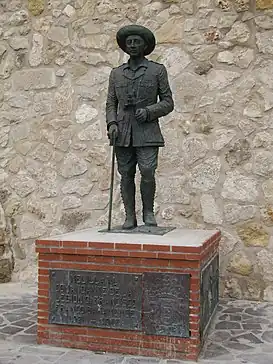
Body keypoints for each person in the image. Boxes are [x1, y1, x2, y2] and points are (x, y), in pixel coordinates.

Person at [106, 24, 174, 230]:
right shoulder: (116, 74)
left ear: (145, 46)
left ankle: (148, 212)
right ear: (125, 47)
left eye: (137, 42)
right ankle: (129, 216)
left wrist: (149, 111)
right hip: (123, 131)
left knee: (147, 170)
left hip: (147, 130)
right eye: (129, 42)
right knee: (125, 173)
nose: (133, 45)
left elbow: (168, 102)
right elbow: (111, 103)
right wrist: (111, 123)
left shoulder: (157, 70)